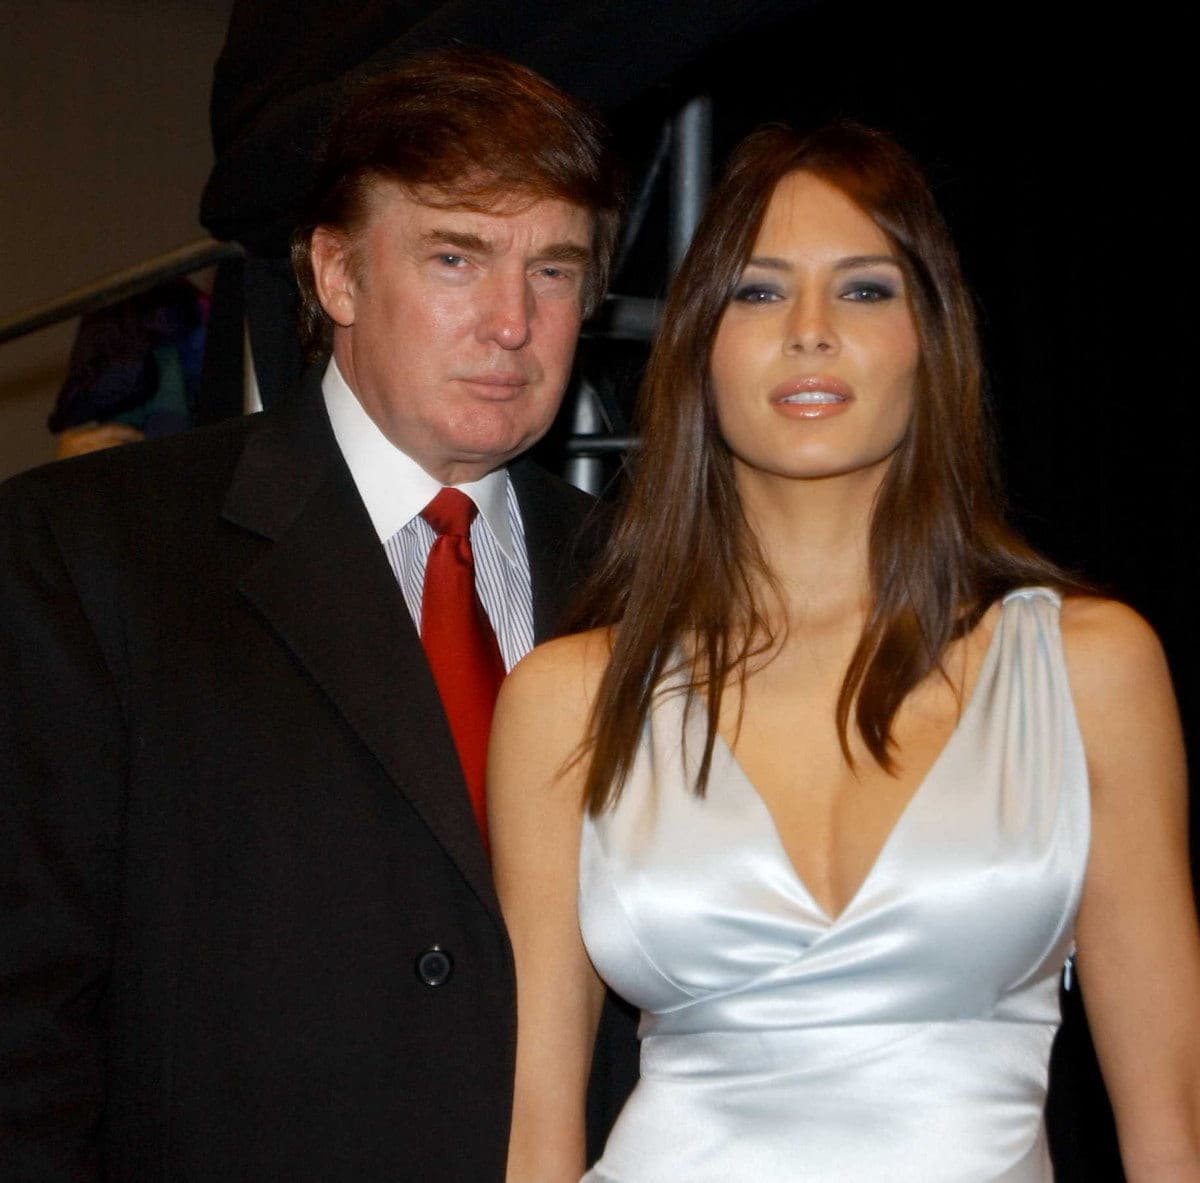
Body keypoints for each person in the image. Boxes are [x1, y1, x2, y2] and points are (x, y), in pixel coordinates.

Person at [490, 122, 1200, 1181]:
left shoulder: (1089, 669)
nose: (811, 332)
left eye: (864, 290)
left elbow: (1172, 1130)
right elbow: (535, 1130)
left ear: (931, 337)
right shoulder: (571, 699)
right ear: (700, 347)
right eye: (759, 292)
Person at [0, 48, 636, 1182]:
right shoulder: (90, 551)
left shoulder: (643, 582)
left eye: (554, 270)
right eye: (457, 257)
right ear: (337, 275)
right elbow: (25, 1025)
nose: (512, 322)